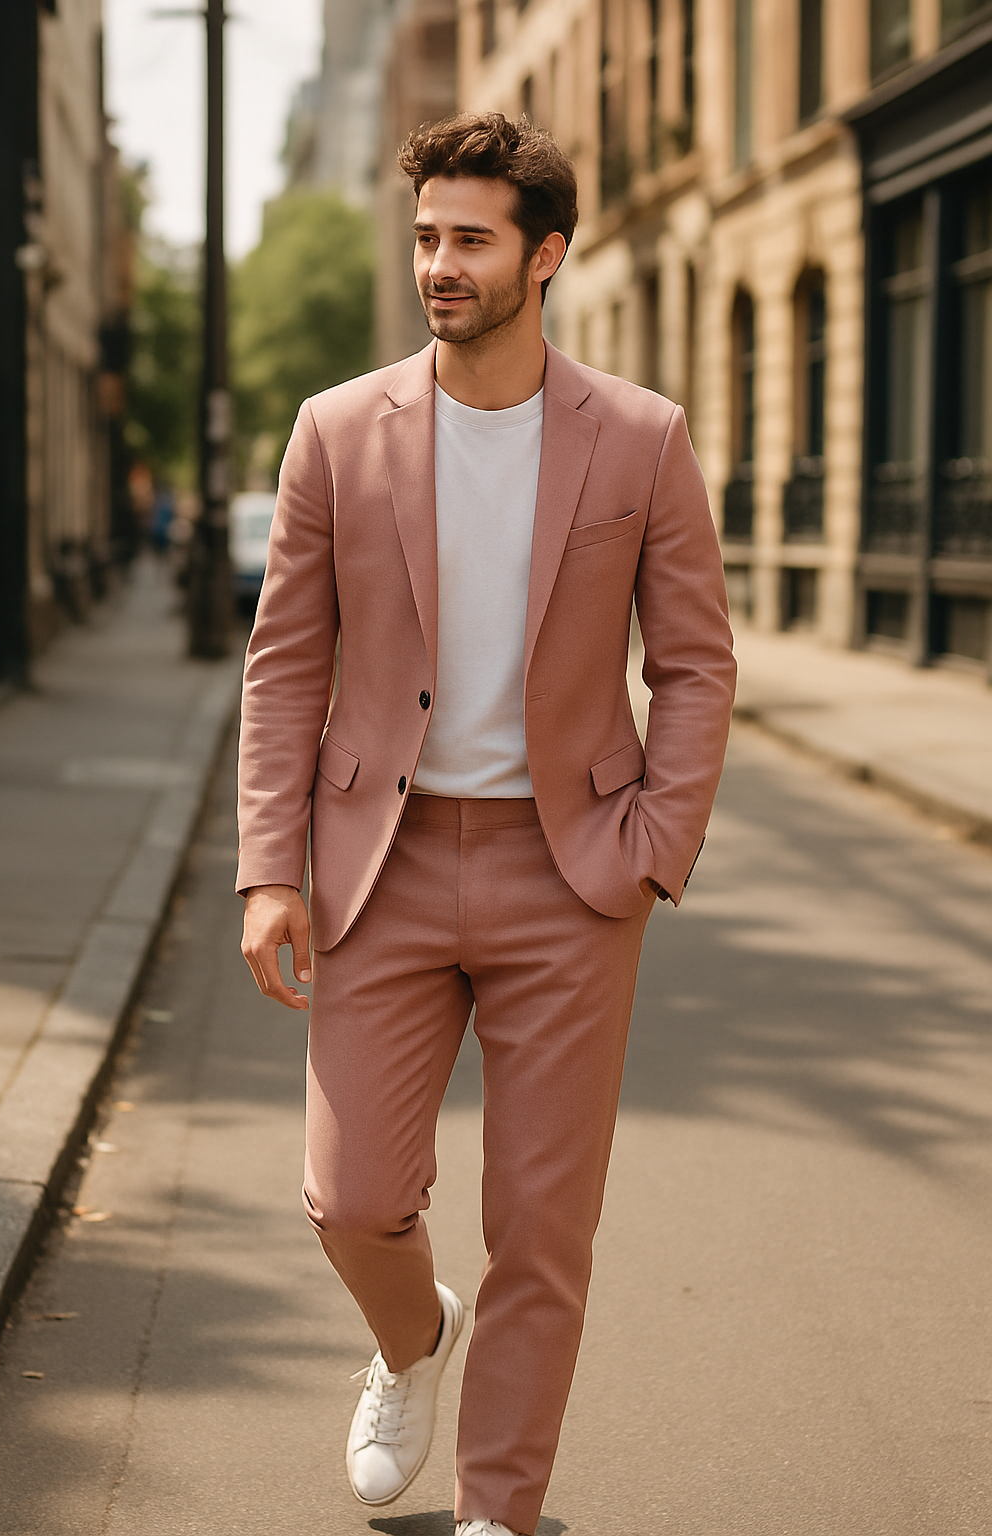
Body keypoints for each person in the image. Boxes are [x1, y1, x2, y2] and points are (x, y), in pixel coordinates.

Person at [237, 112, 736, 1536]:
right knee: (349, 1198)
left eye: (470, 240)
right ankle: (411, 1341)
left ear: (547, 255)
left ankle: (496, 1511)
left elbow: (695, 661)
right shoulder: (338, 432)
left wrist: (654, 846)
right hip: (375, 872)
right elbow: (287, 665)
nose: (438, 266)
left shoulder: (639, 441)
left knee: (543, 1228)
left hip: (569, 874)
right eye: (425, 239)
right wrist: (271, 870)